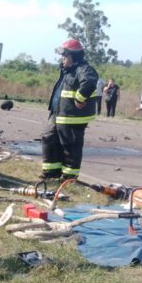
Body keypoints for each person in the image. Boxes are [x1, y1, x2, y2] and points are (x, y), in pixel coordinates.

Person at [40, 39, 99, 181]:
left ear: (74, 56)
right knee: (49, 138)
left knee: (70, 146)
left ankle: (69, 177)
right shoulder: (67, 71)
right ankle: (51, 173)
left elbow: (89, 83)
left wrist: (79, 99)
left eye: (65, 56)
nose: (63, 59)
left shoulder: (84, 69)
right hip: (57, 114)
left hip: (72, 117)